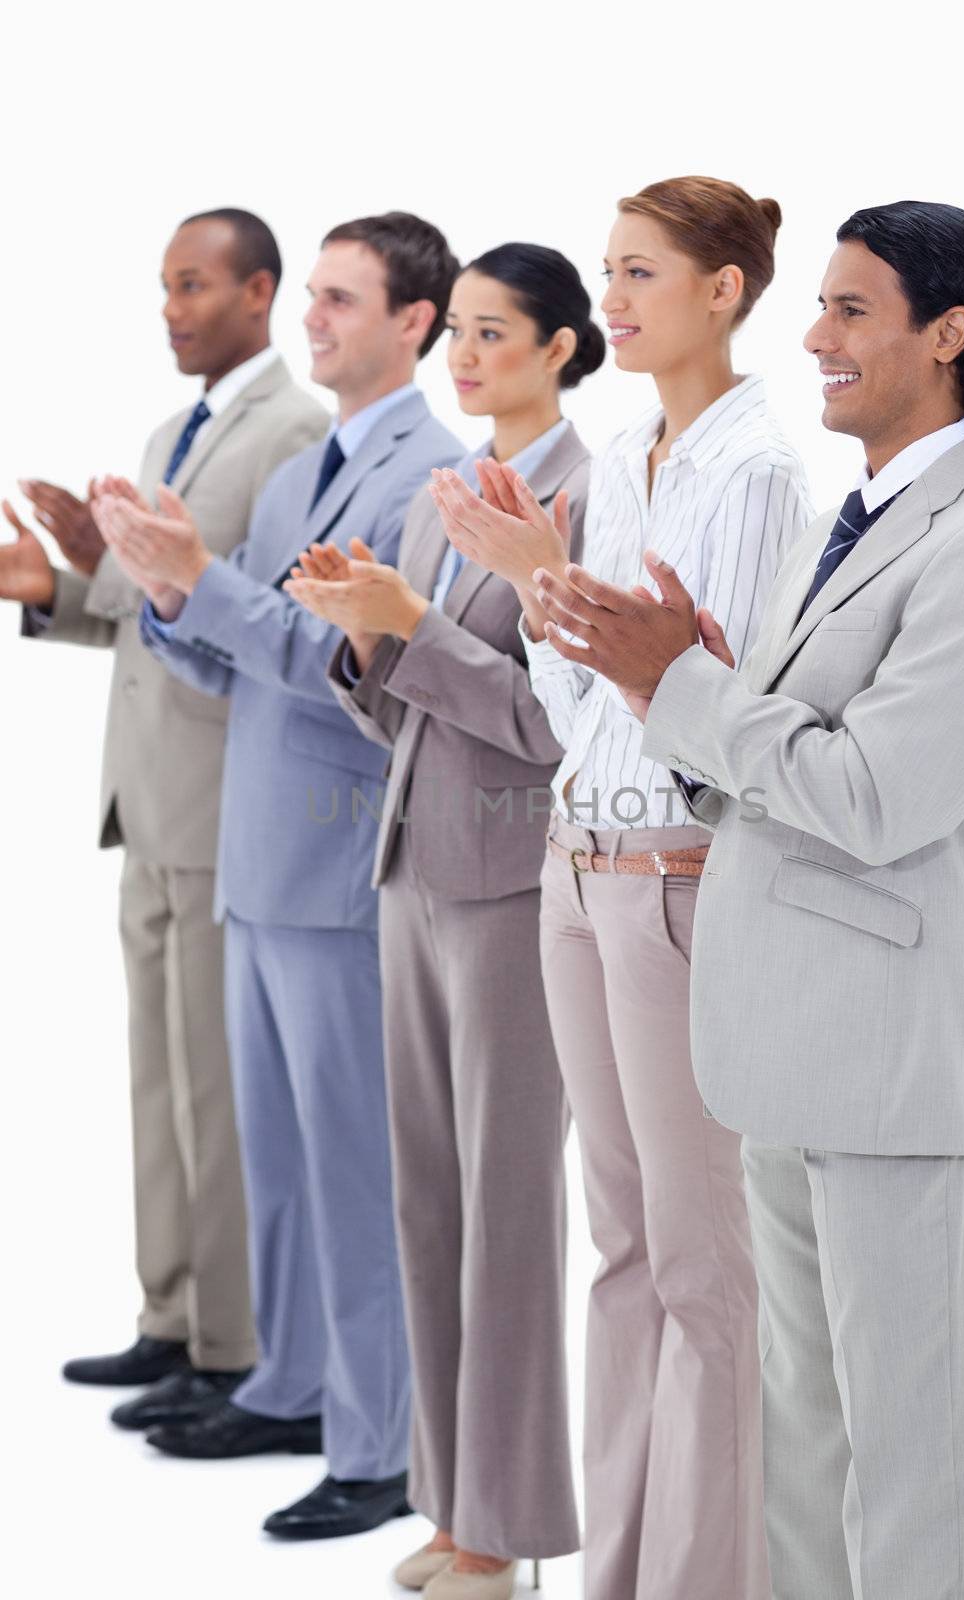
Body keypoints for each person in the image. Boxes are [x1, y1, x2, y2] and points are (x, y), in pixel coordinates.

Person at [530, 200, 964, 1600]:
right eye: (814, 306)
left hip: (897, 1082)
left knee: (907, 1487)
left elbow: (879, 797)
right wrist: (681, 690)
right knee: (801, 1469)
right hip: (783, 1063)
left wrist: (678, 686)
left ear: (944, 336)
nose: (812, 338)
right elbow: (755, 772)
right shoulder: (853, 518)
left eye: (846, 311)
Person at [431, 178, 811, 1600]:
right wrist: (541, 591)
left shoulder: (756, 471)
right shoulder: (634, 457)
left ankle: (704, 1581)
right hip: (574, 875)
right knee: (622, 1254)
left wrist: (548, 584)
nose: (616, 297)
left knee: (705, 1275)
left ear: (722, 291)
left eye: (641, 272)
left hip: (678, 882)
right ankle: (618, 1571)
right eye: (607, 271)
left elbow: (704, 710)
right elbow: (574, 700)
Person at [94, 212, 464, 1542]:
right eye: (310, 296)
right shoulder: (307, 465)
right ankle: (293, 1385)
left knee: (358, 1171)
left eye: (342, 301)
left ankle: (381, 1446)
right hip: (258, 859)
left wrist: (216, 593)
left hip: (337, 860)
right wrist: (168, 588)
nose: (314, 321)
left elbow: (346, 672)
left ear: (413, 324)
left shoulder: (432, 478)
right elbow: (239, 648)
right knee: (282, 1166)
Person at [287, 242, 601, 1600]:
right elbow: (401, 703)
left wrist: (414, 624)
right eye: (456, 332)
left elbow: (551, 724)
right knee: (426, 1197)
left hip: (519, 890)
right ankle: (449, 1505)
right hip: (412, 875)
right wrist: (366, 634)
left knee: (507, 1206)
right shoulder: (439, 493)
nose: (463, 357)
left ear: (561, 349)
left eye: (492, 333)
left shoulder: (588, 495)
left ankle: (509, 1526)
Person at [0, 209, 327, 1421]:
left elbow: (236, 614)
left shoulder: (293, 431)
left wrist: (132, 578)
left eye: (193, 285)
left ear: (258, 292)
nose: (171, 308)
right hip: (142, 798)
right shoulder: (171, 429)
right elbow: (162, 606)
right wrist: (68, 580)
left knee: (216, 1089)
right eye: (163, 286)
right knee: (158, 1081)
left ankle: (234, 1346)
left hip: (223, 801)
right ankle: (172, 1315)